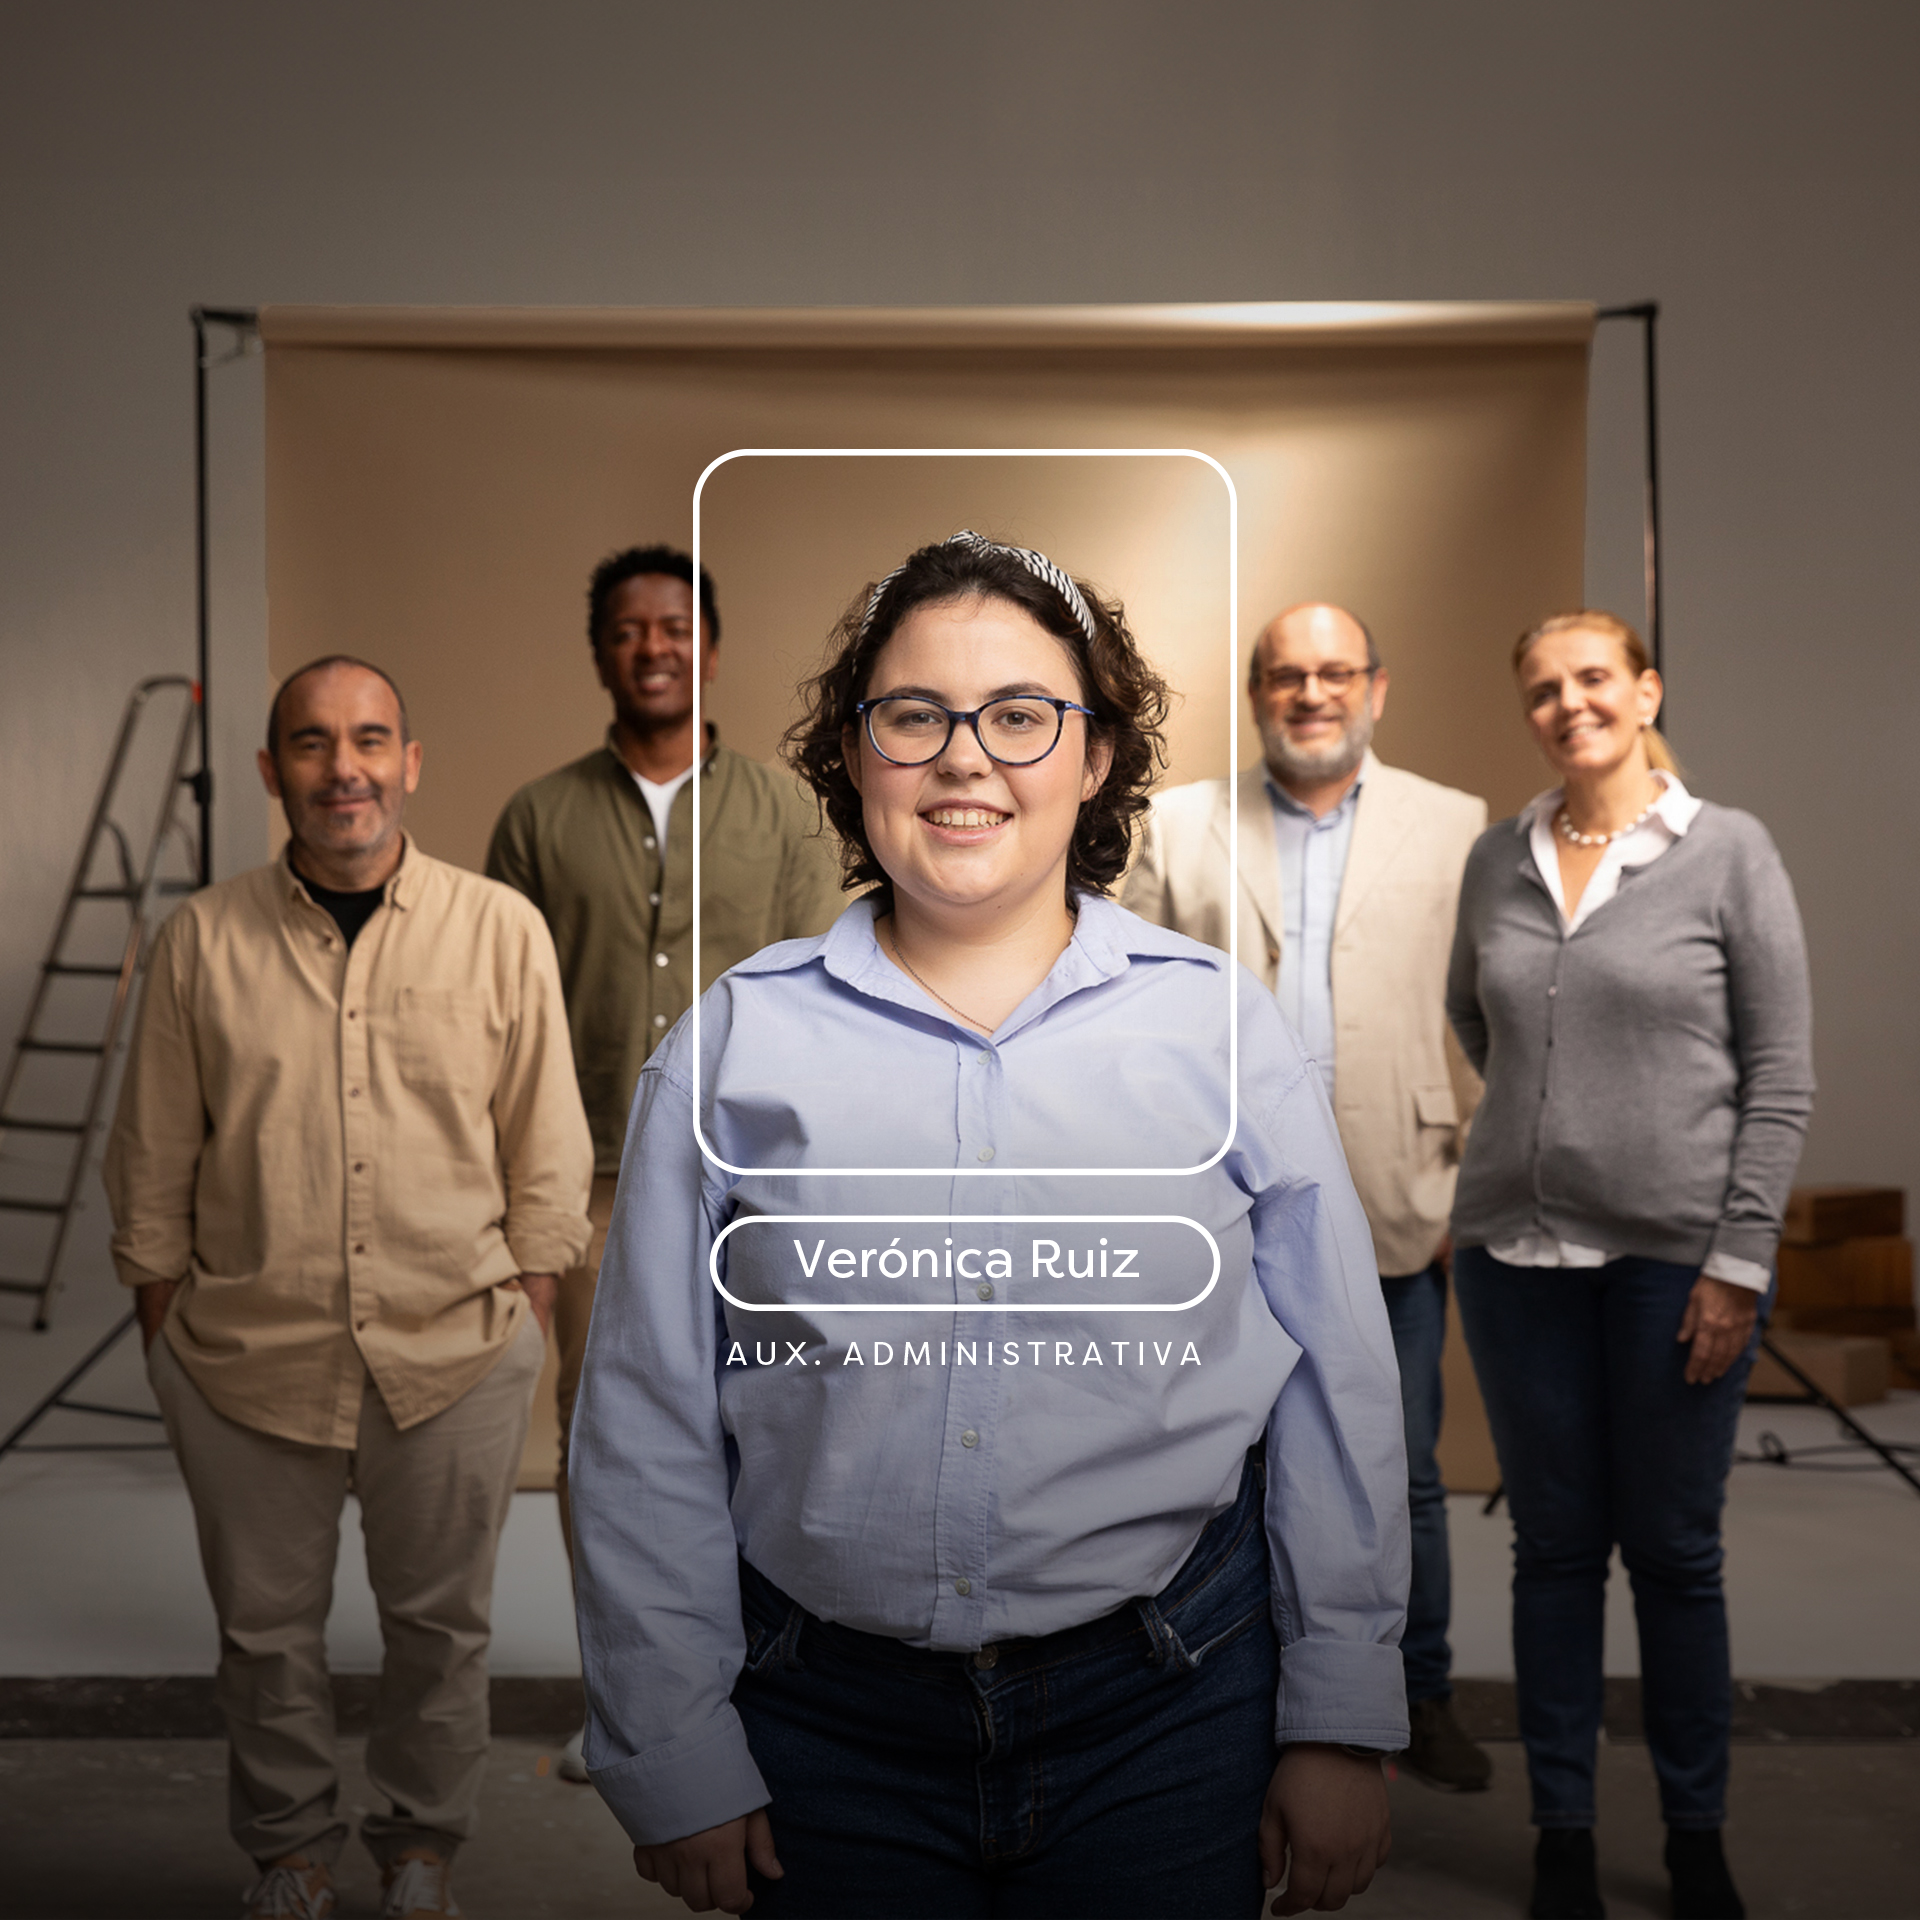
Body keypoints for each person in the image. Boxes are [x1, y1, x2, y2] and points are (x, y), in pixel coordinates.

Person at [570, 532, 1412, 1919]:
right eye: (914, 715)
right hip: (822, 1727)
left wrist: (1339, 1710)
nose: (967, 758)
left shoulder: (1218, 1030)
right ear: (852, 757)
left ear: (1095, 760)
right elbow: (645, 1425)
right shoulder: (730, 1052)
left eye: (1022, 715)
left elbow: (1336, 1383)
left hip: (1171, 1707)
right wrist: (670, 1743)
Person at [106, 657, 593, 1920]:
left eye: (371, 738)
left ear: (411, 762)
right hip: (244, 1358)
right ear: (275, 773)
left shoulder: (501, 929)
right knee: (266, 1641)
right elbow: (152, 1153)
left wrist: (526, 1309)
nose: (346, 767)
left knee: (441, 1635)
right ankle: (291, 1857)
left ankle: (421, 1850)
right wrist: (165, 1327)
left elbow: (547, 1140)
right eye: (313, 744)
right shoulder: (200, 940)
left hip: (458, 1353)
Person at [1446, 611, 1813, 1920]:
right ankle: (1561, 1832)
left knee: (1672, 1553)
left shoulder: (1728, 853)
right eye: (1542, 687)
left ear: (1645, 690)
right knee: (1551, 1551)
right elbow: (1471, 1020)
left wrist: (1737, 1258)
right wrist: (1559, 1130)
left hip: (1677, 1264)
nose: (1568, 703)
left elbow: (1778, 1076)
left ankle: (1697, 1833)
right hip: (1512, 1257)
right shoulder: (1501, 856)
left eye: (1593, 678)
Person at [485, 545, 844, 1780]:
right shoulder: (537, 817)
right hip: (582, 1171)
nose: (655, 647)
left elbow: (817, 997)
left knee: (761, 1420)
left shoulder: (787, 810)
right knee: (611, 1432)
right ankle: (630, 1697)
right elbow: (505, 1016)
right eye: (630, 630)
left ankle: (755, 1687)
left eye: (676, 627)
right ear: (602, 653)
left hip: (746, 1168)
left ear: (712, 648)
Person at [1126, 601, 1492, 1793]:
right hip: (1213, 1199)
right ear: (1256, 692)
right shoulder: (1178, 825)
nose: (1312, 693)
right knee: (1216, 1453)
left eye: (1336, 673)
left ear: (1377, 689)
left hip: (1398, 1191)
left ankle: (1411, 1693)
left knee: (1400, 1462)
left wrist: (1464, 1179)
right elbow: (1121, 1006)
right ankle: (1230, 1682)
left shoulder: (1455, 825)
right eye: (1288, 674)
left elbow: (1493, 1019)